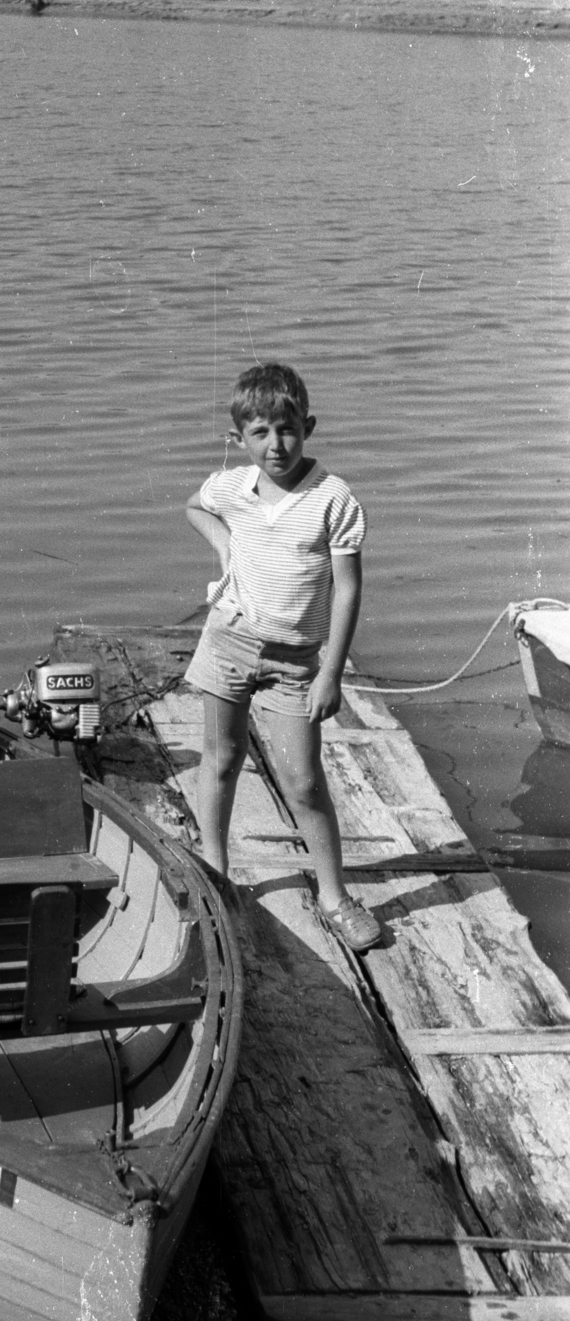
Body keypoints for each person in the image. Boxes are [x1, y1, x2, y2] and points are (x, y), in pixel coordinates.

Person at [184, 362, 382, 952]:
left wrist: (330, 673)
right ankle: (215, 872)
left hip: (297, 661)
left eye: (288, 429)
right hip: (228, 642)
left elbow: (347, 588)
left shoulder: (333, 497)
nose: (276, 445)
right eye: (261, 433)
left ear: (309, 426)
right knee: (220, 760)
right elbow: (194, 505)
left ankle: (334, 897)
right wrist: (225, 549)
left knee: (303, 782)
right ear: (239, 439)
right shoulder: (231, 488)